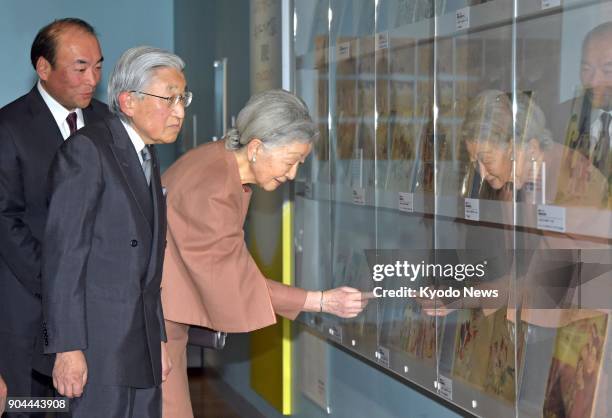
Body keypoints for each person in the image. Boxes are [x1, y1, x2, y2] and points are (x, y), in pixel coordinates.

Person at [160, 89, 368, 418]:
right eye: (290, 161)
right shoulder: (213, 188)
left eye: (300, 163)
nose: (292, 174)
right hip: (153, 329)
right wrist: (322, 301)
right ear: (256, 148)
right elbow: (234, 279)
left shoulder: (217, 161)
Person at [39, 46, 190, 418]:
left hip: (138, 342)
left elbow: (147, 269)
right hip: (98, 346)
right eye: (169, 99)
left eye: (183, 98)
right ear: (128, 101)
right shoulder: (88, 151)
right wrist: (67, 348)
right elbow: (64, 258)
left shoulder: (145, 153)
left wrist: (156, 338)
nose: (180, 111)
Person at [0, 18, 107, 405]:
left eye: (97, 66)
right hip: (29, 304)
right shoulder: (8, 126)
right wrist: (58, 284)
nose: (92, 78)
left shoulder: (108, 124)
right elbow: (6, 220)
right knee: (27, 406)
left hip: (97, 308)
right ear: (43, 69)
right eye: (80, 67)